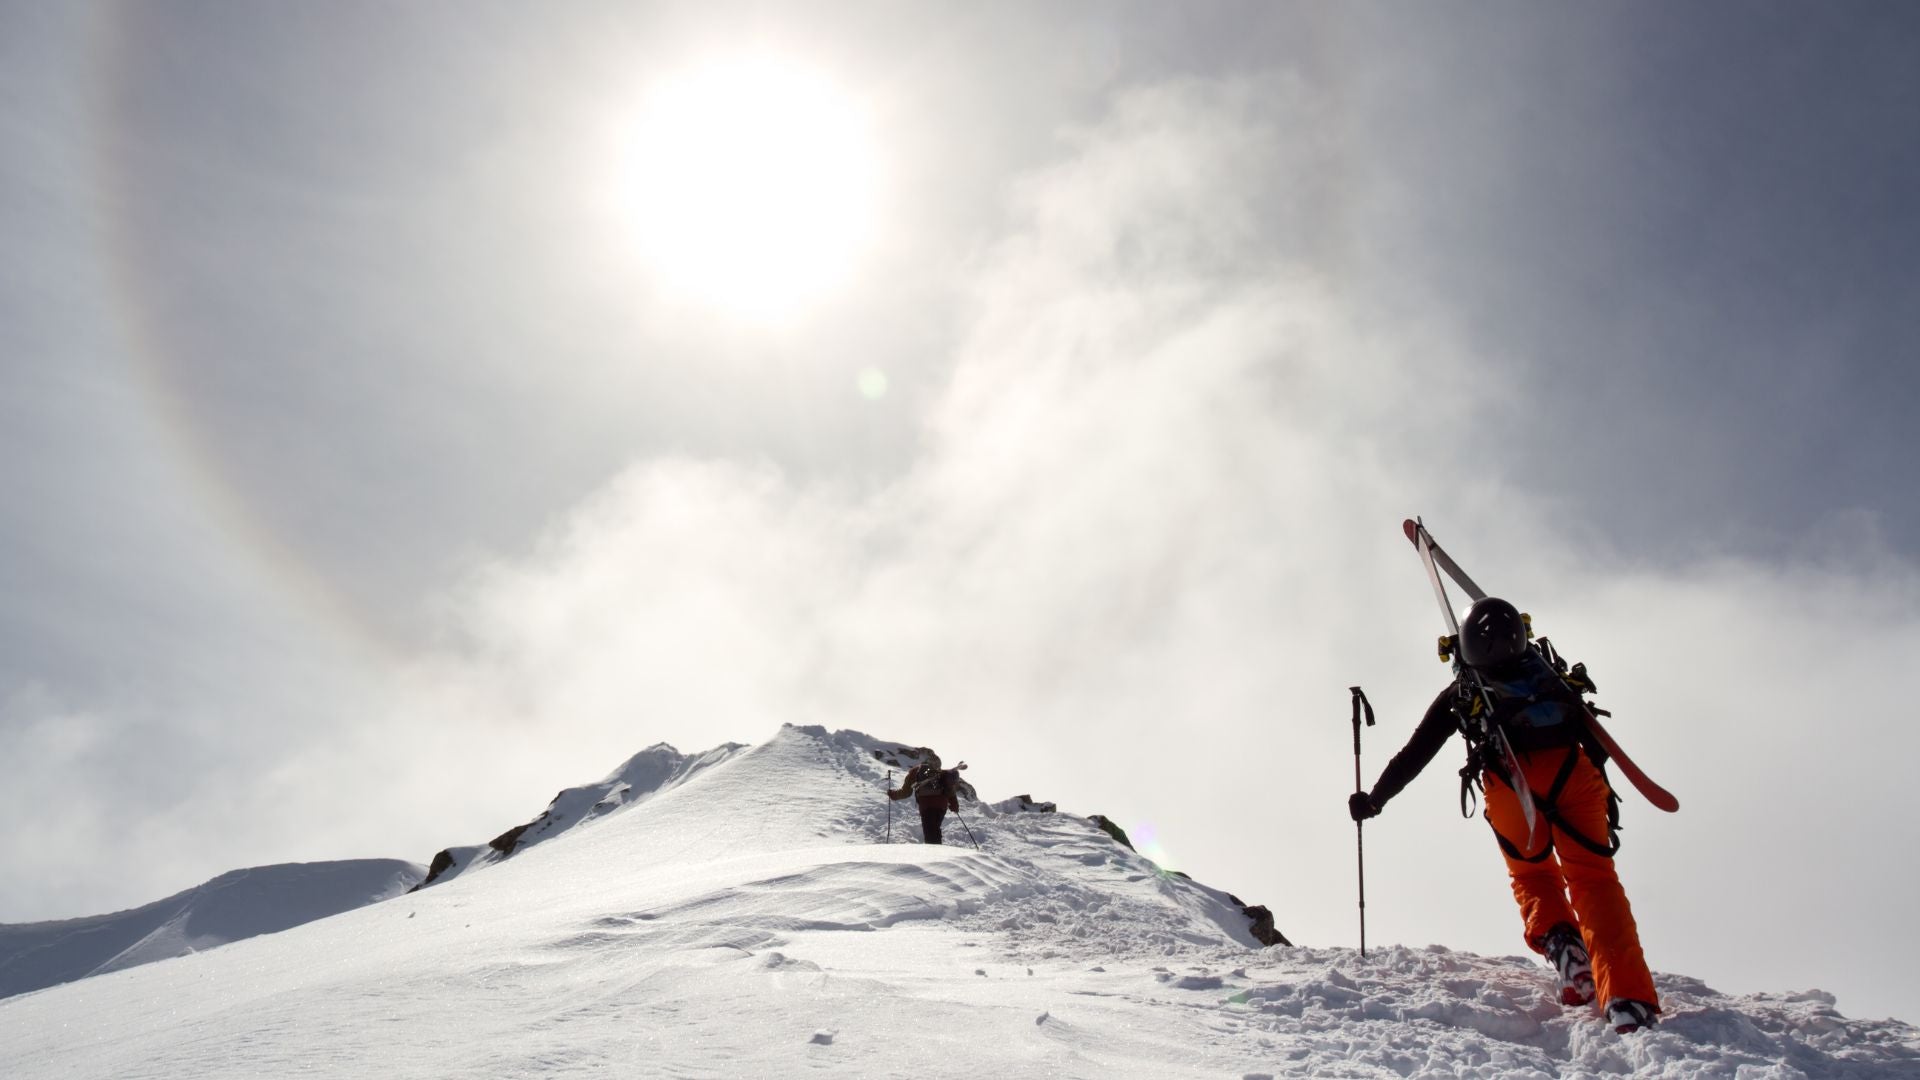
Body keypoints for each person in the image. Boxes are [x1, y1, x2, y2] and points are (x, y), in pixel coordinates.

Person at [1348, 596, 1661, 1035]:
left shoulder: (1465, 691)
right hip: (1575, 775)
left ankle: (1561, 941)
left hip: (1513, 788)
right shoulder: (1548, 673)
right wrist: (1601, 793)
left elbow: (1414, 755)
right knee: (1593, 880)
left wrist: (1375, 799)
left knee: (1533, 876)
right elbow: (1590, 735)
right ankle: (1627, 997)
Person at [889, 755, 965, 844]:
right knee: (935, 828)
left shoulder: (915, 771)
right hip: (941, 806)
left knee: (930, 832)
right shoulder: (942, 773)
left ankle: (934, 853)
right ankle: (937, 850)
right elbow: (950, 791)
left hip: (926, 806)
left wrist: (893, 795)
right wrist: (954, 806)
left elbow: (906, 792)